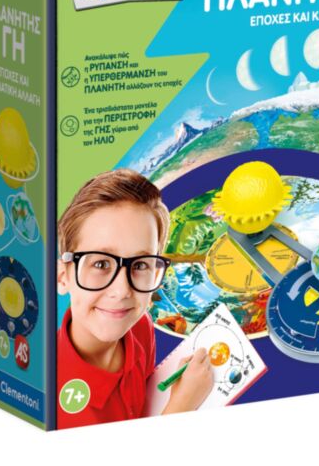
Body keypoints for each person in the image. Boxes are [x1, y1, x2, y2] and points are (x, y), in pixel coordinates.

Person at [56, 168, 213, 429]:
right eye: (100, 264)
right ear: (63, 277)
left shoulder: (139, 327)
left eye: (140, 265)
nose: (122, 291)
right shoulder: (57, 402)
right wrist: (182, 406)